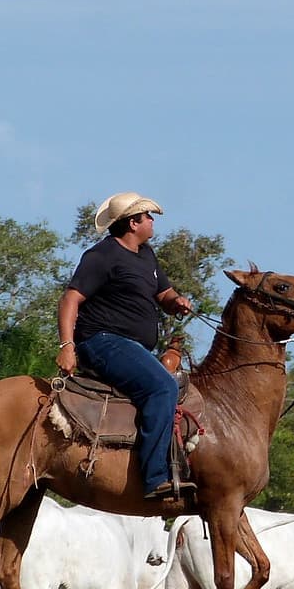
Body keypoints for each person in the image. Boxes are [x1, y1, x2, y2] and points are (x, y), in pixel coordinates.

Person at [57, 192, 194, 500]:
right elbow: (70, 300)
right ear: (133, 223)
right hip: (102, 342)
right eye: (148, 216)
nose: (152, 221)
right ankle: (154, 477)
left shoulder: (147, 255)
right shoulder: (102, 256)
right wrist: (67, 345)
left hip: (133, 347)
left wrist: (177, 302)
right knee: (162, 388)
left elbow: (164, 295)